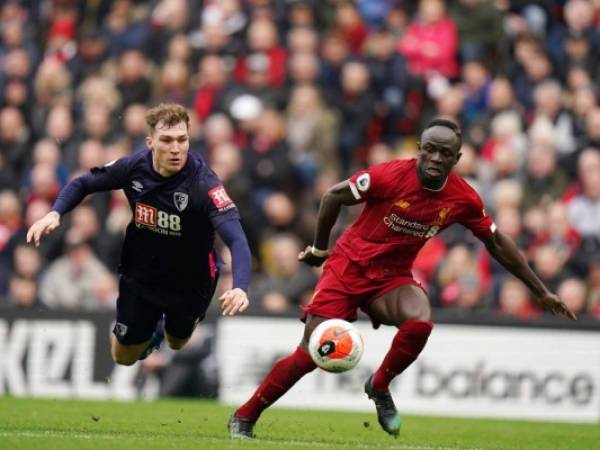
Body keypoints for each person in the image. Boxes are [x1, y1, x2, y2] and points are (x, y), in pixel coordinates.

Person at [228, 118, 576, 438]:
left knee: (420, 321)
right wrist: (320, 249)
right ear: (419, 149)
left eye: (445, 153)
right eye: (429, 149)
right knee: (310, 354)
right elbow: (333, 195)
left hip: (391, 277)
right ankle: (245, 416)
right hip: (348, 267)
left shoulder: (464, 198)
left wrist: (541, 291)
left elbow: (497, 242)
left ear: (458, 157)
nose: (435, 158)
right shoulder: (389, 175)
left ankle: (379, 385)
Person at [27, 103, 251, 365]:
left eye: (182, 140)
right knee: (122, 357)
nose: (176, 149)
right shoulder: (134, 167)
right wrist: (55, 213)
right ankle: (150, 332)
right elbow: (83, 183)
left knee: (176, 342)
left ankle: (163, 328)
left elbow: (237, 238)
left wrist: (240, 287)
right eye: (166, 140)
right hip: (142, 272)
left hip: (191, 279)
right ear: (150, 142)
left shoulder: (204, 184)